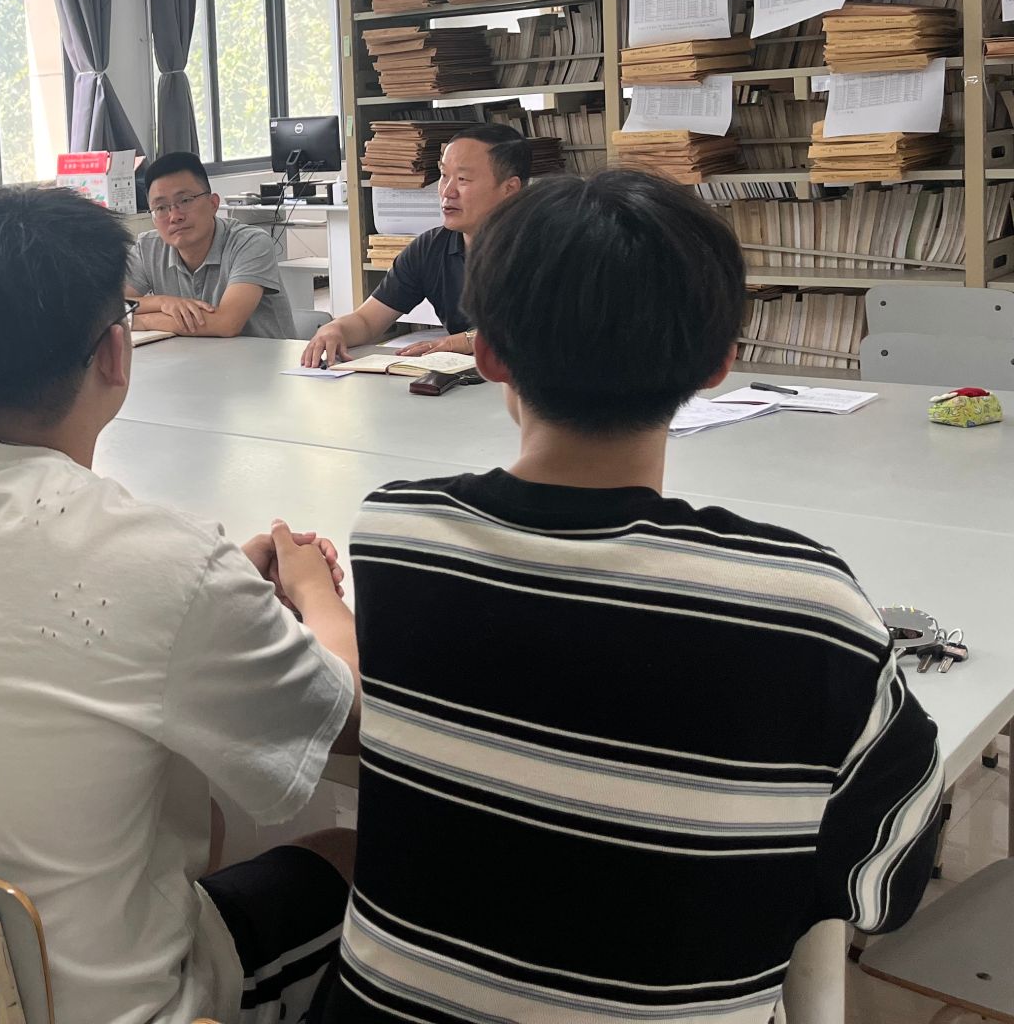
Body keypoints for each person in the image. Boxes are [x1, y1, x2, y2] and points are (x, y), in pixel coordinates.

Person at [322, 170, 941, 1024]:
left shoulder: (397, 535)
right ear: (720, 363)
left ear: (487, 353)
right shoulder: (808, 607)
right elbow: (885, 881)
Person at [0, 186, 360, 1024]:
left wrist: (221, 591)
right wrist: (312, 589)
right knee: (348, 854)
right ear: (116, 352)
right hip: (102, 1008)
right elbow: (341, 719)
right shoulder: (164, 562)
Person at [300, 122, 529, 367]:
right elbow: (368, 321)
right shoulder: (429, 249)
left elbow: (538, 329)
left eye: (463, 179)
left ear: (510, 189)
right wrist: (335, 329)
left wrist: (468, 341)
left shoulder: (546, 247)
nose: (447, 192)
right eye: (444, 176)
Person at [127, 151, 295, 340]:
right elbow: (109, 308)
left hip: (261, 357)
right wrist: (162, 302)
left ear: (213, 203)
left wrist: (141, 321)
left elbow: (226, 323)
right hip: (190, 356)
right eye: (161, 208)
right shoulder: (147, 248)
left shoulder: (251, 243)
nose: (174, 216)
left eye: (185, 201)